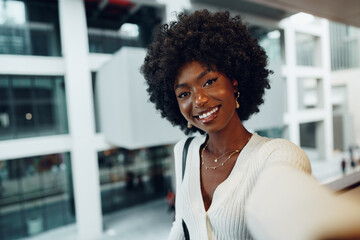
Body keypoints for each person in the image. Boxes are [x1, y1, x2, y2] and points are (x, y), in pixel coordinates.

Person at [141, 10, 311, 240]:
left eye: (209, 81)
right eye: (184, 93)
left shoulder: (276, 154)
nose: (198, 100)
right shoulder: (184, 151)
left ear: (234, 81)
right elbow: (181, 227)